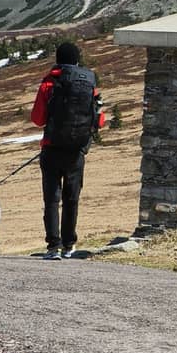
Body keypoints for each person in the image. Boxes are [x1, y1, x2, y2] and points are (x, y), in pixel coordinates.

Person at [30, 41, 104, 260]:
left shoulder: (49, 83)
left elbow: (38, 119)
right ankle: (69, 245)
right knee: (72, 198)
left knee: (52, 199)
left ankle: (53, 246)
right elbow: (99, 120)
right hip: (76, 151)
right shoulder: (89, 83)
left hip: (52, 148)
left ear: (58, 60)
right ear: (77, 60)